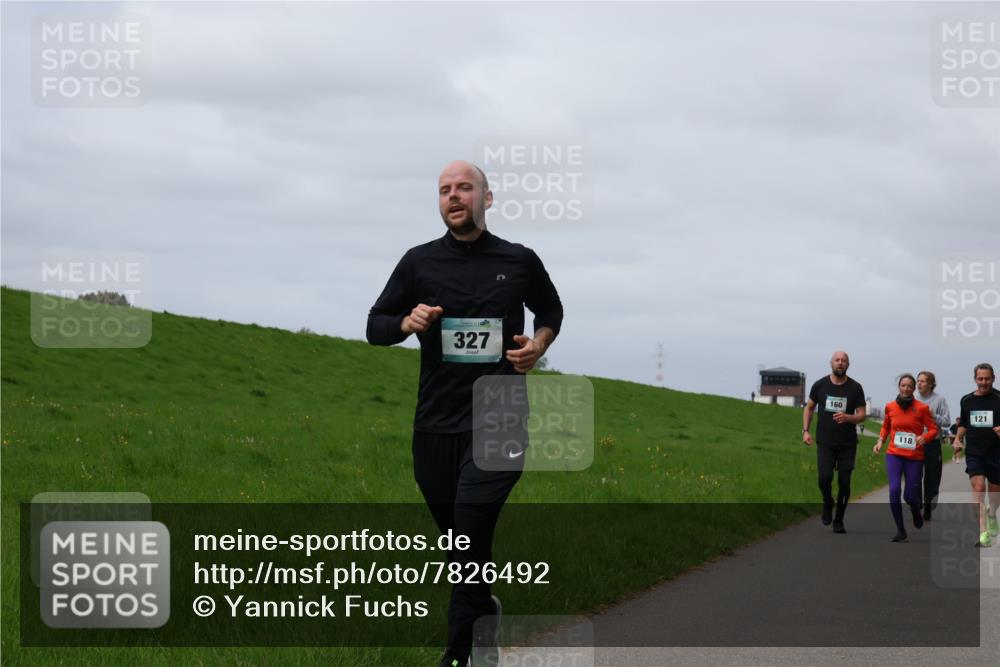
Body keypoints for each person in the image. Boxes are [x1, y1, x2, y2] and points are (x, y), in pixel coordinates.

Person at [366, 160, 563, 667]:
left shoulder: (519, 260)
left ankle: (460, 655)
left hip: (500, 417)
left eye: (464, 188)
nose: (453, 196)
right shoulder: (418, 263)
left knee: (470, 527)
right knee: (460, 543)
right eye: (444, 190)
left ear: (487, 198)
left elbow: (551, 311)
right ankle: (483, 609)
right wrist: (406, 322)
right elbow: (375, 326)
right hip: (435, 422)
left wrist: (538, 344)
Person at [802, 351, 867, 533]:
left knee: (844, 483)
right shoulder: (820, 385)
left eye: (843, 360)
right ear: (831, 363)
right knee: (824, 478)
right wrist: (805, 431)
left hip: (847, 443)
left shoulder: (855, 388)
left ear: (848, 365)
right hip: (826, 442)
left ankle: (839, 519)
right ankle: (827, 500)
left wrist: (848, 417)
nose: (840, 363)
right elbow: (809, 408)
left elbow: (862, 415)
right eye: (837, 360)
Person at [873, 374, 938, 542]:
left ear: (914, 388)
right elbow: (886, 427)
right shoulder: (890, 407)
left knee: (909, 496)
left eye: (909, 386)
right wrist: (880, 441)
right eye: (903, 385)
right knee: (894, 490)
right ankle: (900, 530)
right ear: (899, 387)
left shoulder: (922, 408)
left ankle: (916, 511)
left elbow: (933, 429)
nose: (906, 389)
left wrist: (924, 437)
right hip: (894, 455)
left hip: (914, 457)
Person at [952, 363, 1000, 548]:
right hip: (975, 453)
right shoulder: (967, 400)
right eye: (980, 378)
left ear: (993, 378)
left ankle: (992, 514)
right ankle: (983, 533)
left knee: (995, 496)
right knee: (978, 487)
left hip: (996, 452)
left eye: (987, 378)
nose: (984, 382)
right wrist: (958, 439)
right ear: (975, 379)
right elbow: (964, 424)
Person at [915, 370, 951, 519]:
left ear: (930, 384)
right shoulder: (912, 399)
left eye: (922, 381)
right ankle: (917, 503)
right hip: (915, 443)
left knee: (932, 477)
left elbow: (947, 422)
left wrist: (933, 415)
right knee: (914, 476)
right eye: (918, 381)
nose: (919, 384)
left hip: (932, 443)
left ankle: (928, 505)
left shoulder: (939, 399)